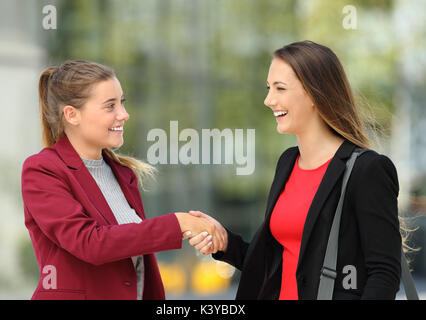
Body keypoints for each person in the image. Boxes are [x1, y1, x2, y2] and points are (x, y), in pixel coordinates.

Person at [187, 40, 402, 300]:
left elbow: (384, 274)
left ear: (313, 93)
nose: (268, 100)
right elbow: (275, 263)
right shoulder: (287, 163)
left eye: (280, 88)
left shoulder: (367, 170)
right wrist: (226, 243)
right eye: (269, 88)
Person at [21, 59, 224, 300]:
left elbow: (133, 252)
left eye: (122, 103)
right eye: (110, 106)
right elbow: (90, 243)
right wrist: (176, 224)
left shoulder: (120, 172)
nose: (124, 114)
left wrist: (195, 228)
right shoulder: (43, 170)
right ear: (71, 115)